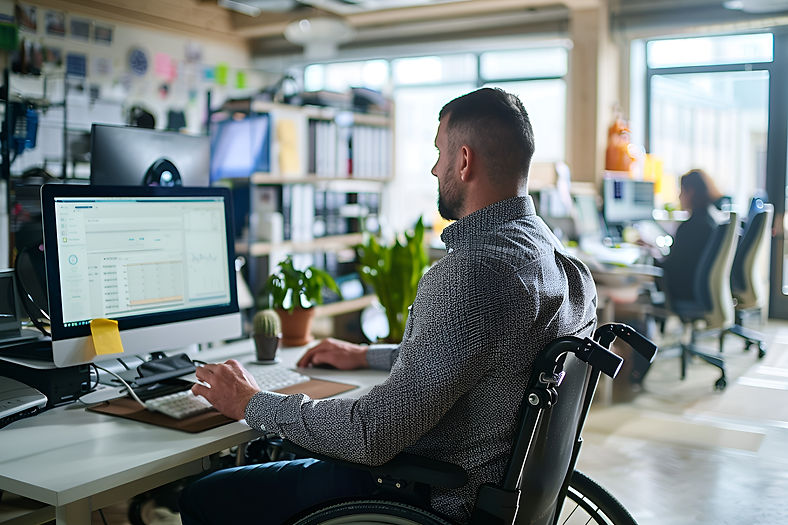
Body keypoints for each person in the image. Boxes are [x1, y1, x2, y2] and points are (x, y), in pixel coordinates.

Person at [178, 88, 598, 524]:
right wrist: (364, 355)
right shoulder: (561, 263)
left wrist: (251, 401)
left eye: (440, 153)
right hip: (504, 500)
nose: (435, 168)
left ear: (464, 161)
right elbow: (480, 362)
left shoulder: (473, 273)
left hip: (419, 497)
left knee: (207, 496)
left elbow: (372, 433)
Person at [658, 169, 724, 303]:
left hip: (685, 291)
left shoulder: (691, 226)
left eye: (681, 191)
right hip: (702, 291)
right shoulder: (712, 219)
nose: (679, 197)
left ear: (691, 192)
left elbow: (671, 268)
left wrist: (652, 256)